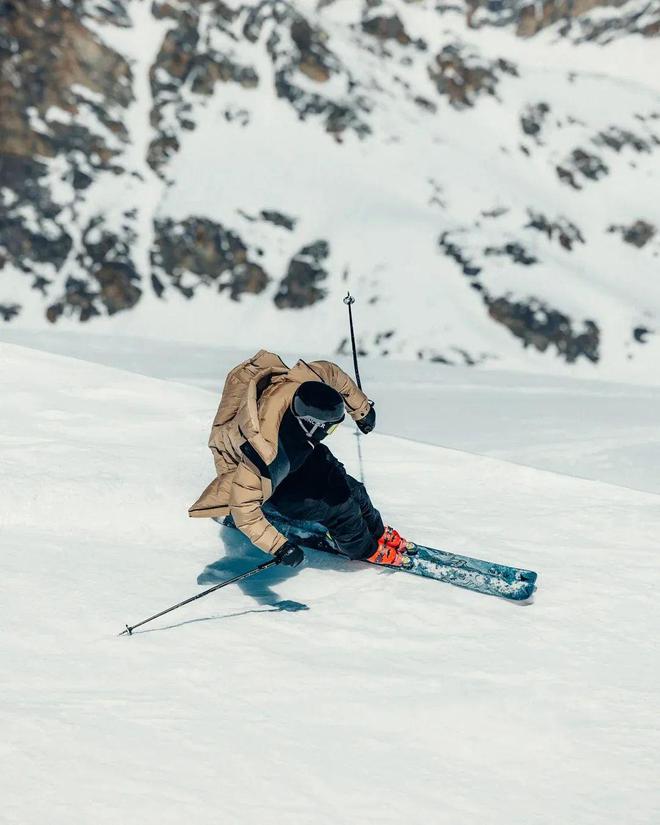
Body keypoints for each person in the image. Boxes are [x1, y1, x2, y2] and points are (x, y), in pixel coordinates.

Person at [189, 350, 413, 568]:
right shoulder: (262, 452)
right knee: (340, 509)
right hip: (276, 478)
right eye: (331, 428)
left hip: (297, 455)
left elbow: (330, 372)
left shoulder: (301, 385)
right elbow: (243, 508)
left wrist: (361, 410)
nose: (330, 432)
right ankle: (363, 548)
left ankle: (377, 531)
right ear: (312, 423)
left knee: (353, 489)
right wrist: (279, 547)